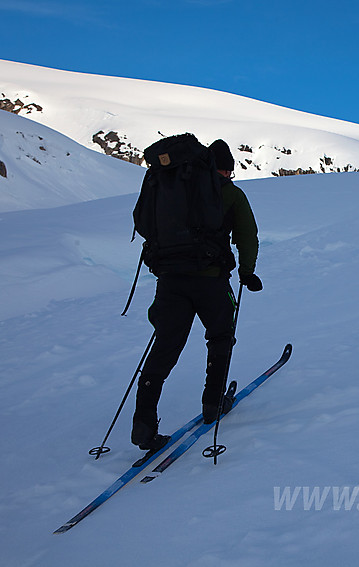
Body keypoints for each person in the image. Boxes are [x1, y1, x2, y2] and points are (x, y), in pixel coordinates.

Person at [131, 139, 263, 451]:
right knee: (220, 336)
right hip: (211, 282)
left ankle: (144, 422)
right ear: (225, 169)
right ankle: (213, 403)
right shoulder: (229, 193)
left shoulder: (172, 189)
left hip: (170, 281)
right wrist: (246, 271)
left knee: (165, 346)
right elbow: (247, 234)